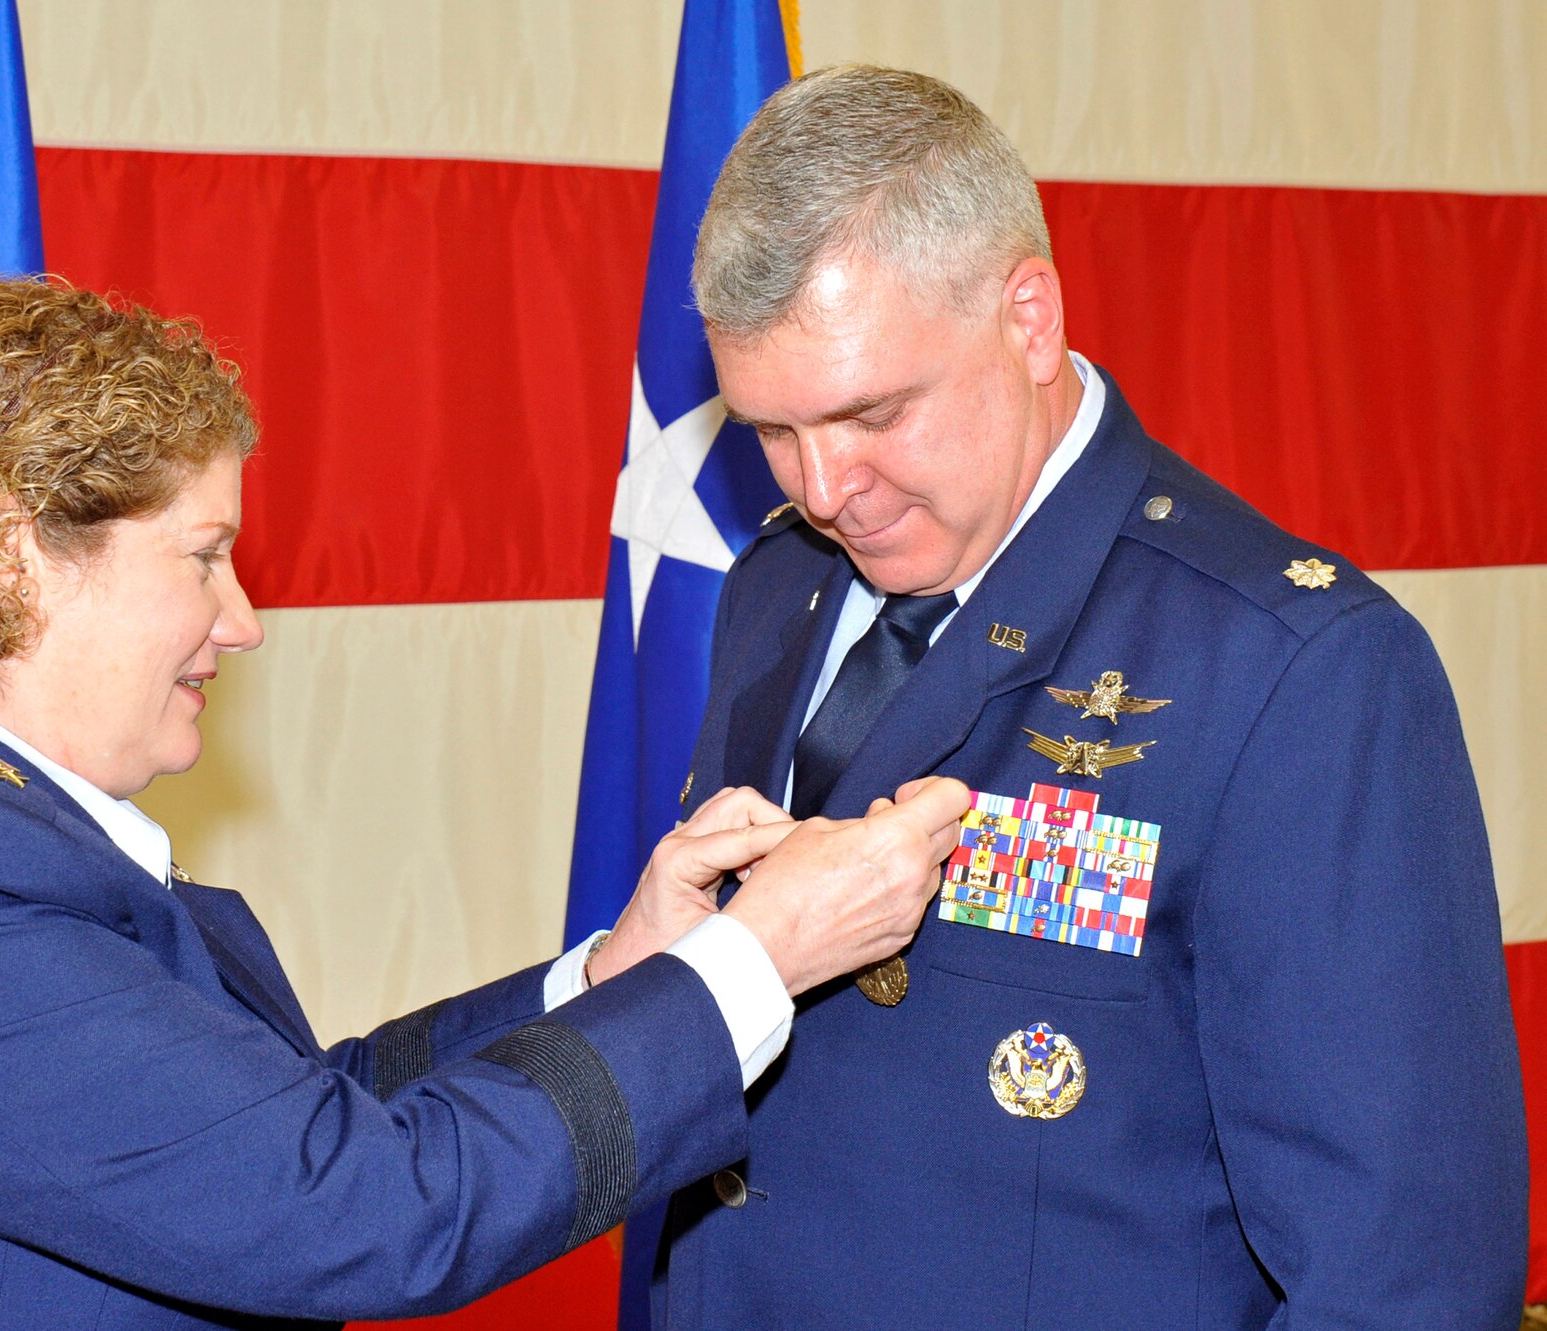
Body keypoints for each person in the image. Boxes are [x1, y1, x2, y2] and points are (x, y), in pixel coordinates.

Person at [0, 276, 967, 1329]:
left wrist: (625, 970)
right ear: (20, 561)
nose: (238, 622)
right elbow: (365, 1206)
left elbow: (299, 1119)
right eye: (200, 557)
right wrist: (756, 955)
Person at [650, 65, 1528, 1328]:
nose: (825, 487)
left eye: (871, 412)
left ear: (1028, 317)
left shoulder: (1293, 668)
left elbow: (1401, 1277)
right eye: (771, 431)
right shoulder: (773, 589)